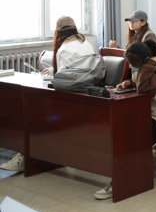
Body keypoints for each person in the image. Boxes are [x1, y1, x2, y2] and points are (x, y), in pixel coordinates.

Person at [1, 16, 96, 173]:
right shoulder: (86, 43)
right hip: (86, 98)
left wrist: (54, 74)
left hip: (69, 103)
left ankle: (25, 155)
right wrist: (54, 71)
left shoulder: (64, 49)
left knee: (30, 110)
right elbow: (77, 70)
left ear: (58, 34)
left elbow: (64, 81)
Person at [96, 39, 156, 200]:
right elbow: (141, 82)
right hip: (146, 110)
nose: (132, 67)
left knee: (130, 133)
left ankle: (123, 180)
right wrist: (129, 82)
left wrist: (147, 66)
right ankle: (123, 174)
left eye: (134, 65)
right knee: (117, 125)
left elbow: (145, 86)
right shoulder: (147, 62)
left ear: (146, 60)